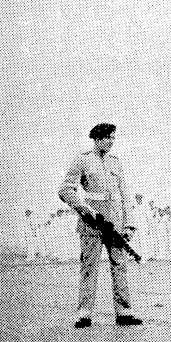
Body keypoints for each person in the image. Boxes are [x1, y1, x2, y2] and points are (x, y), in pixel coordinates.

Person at [57, 123, 142, 328]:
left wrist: (129, 224)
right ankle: (84, 314)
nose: (111, 142)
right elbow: (65, 190)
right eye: (107, 138)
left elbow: (125, 194)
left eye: (113, 138)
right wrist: (85, 209)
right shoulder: (82, 160)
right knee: (89, 267)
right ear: (97, 138)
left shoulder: (116, 162)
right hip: (91, 224)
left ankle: (124, 312)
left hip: (115, 223)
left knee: (119, 265)